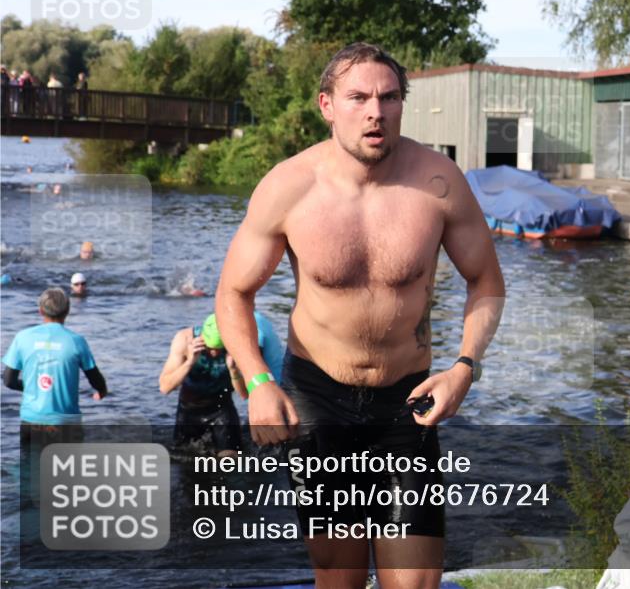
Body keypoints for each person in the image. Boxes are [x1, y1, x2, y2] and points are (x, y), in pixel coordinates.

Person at [215, 42, 505, 589]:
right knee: (338, 576)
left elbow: (487, 282)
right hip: (319, 400)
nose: (376, 110)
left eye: (389, 97)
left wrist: (465, 366)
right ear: (327, 105)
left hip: (408, 403)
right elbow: (233, 293)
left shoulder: (438, 183)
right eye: (358, 97)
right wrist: (256, 382)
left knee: (415, 580)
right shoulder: (289, 187)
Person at [2, 288, 108, 444]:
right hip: (66, 422)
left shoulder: (22, 338)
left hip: (32, 421)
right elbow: (94, 378)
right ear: (67, 310)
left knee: (31, 467)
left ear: (40, 311)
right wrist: (102, 390)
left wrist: (33, 387)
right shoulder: (76, 341)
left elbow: (8, 381)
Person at [159, 313, 247, 458]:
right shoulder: (184, 340)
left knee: (230, 460)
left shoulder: (237, 344)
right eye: (209, 348)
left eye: (218, 350)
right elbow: (165, 387)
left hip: (221, 410)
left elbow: (244, 395)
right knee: (184, 462)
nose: (214, 353)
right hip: (189, 410)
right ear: (203, 338)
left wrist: (233, 370)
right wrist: (189, 362)